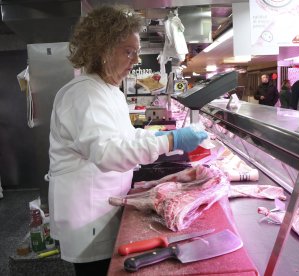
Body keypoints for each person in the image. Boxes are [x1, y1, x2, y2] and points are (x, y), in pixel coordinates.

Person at [48, 6, 207, 276]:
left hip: (105, 205)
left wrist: (156, 136)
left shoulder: (108, 90)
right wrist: (170, 140)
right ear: (103, 49)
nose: (135, 61)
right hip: (89, 216)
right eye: (128, 51)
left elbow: (124, 136)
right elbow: (108, 153)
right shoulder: (84, 94)